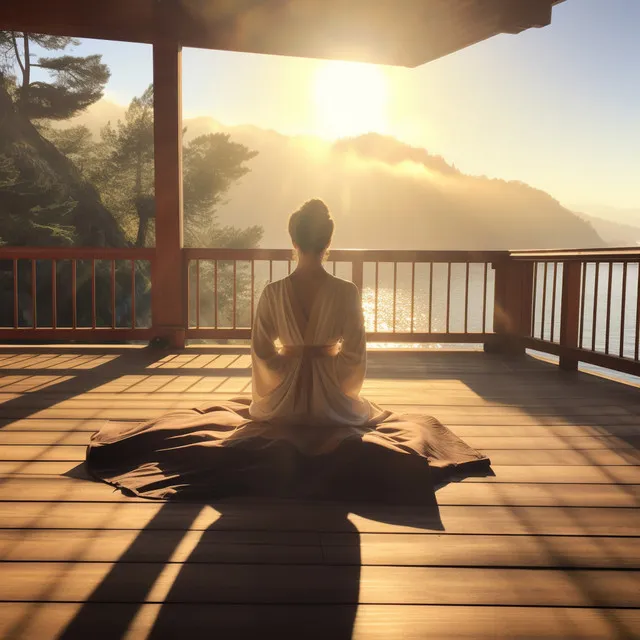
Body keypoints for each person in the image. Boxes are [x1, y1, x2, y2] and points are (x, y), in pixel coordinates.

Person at [86, 199, 490, 502]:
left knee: (242, 411)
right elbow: (355, 356)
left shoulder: (273, 292)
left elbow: (262, 352)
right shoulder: (345, 292)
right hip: (333, 403)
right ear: (328, 242)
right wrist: (334, 382)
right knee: (370, 411)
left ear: (293, 241)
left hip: (280, 405)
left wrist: (284, 377)